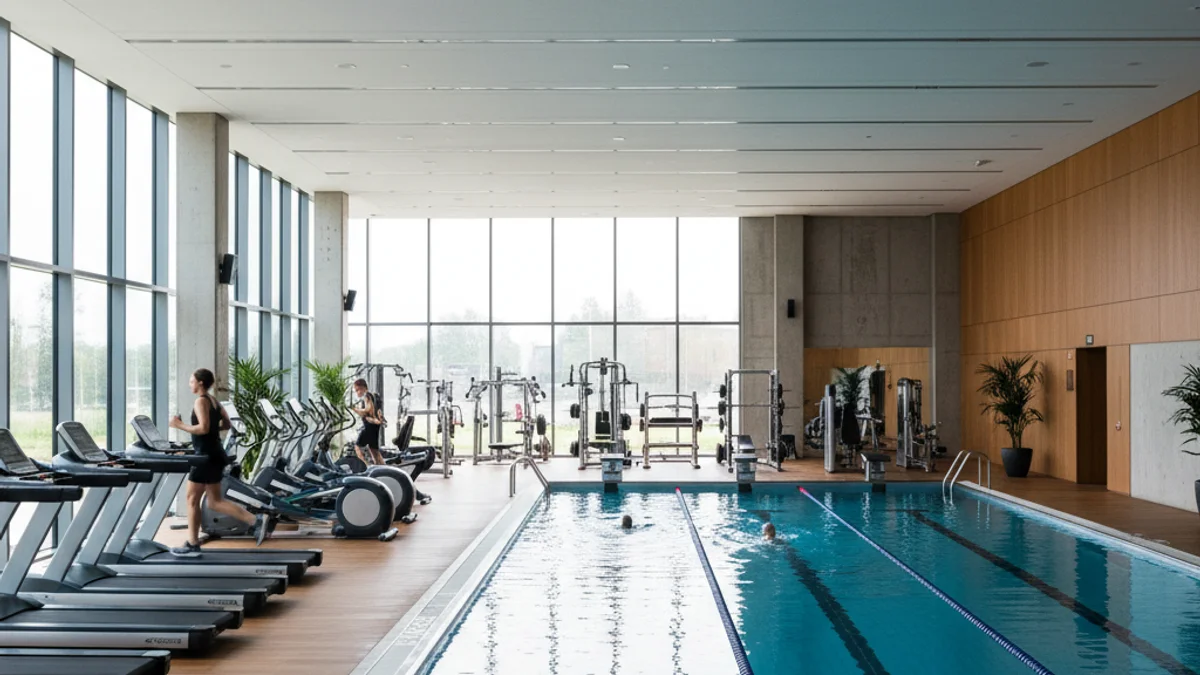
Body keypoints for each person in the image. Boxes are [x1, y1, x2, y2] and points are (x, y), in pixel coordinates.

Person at [168, 368, 266, 556]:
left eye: (192, 381)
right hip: (215, 453)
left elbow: (203, 428)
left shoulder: (200, 401)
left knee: (192, 499)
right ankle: (255, 521)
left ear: (200, 383)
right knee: (214, 501)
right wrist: (212, 428)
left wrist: (179, 425)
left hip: (204, 456)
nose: (190, 384)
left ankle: (192, 542)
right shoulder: (214, 401)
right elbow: (226, 424)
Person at [351, 379, 386, 466]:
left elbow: (367, 411)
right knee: (374, 450)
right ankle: (383, 469)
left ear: (363, 387)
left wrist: (355, 409)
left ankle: (365, 466)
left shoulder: (367, 396)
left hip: (369, 426)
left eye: (358, 390)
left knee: (357, 446)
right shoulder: (372, 396)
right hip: (374, 425)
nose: (357, 393)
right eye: (356, 391)